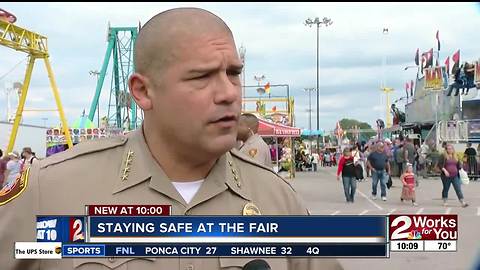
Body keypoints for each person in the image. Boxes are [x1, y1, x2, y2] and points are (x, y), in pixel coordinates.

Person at [0, 8, 343, 270]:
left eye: (233, 73)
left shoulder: (277, 200)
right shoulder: (53, 192)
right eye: (201, 76)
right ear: (143, 91)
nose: (228, 93)